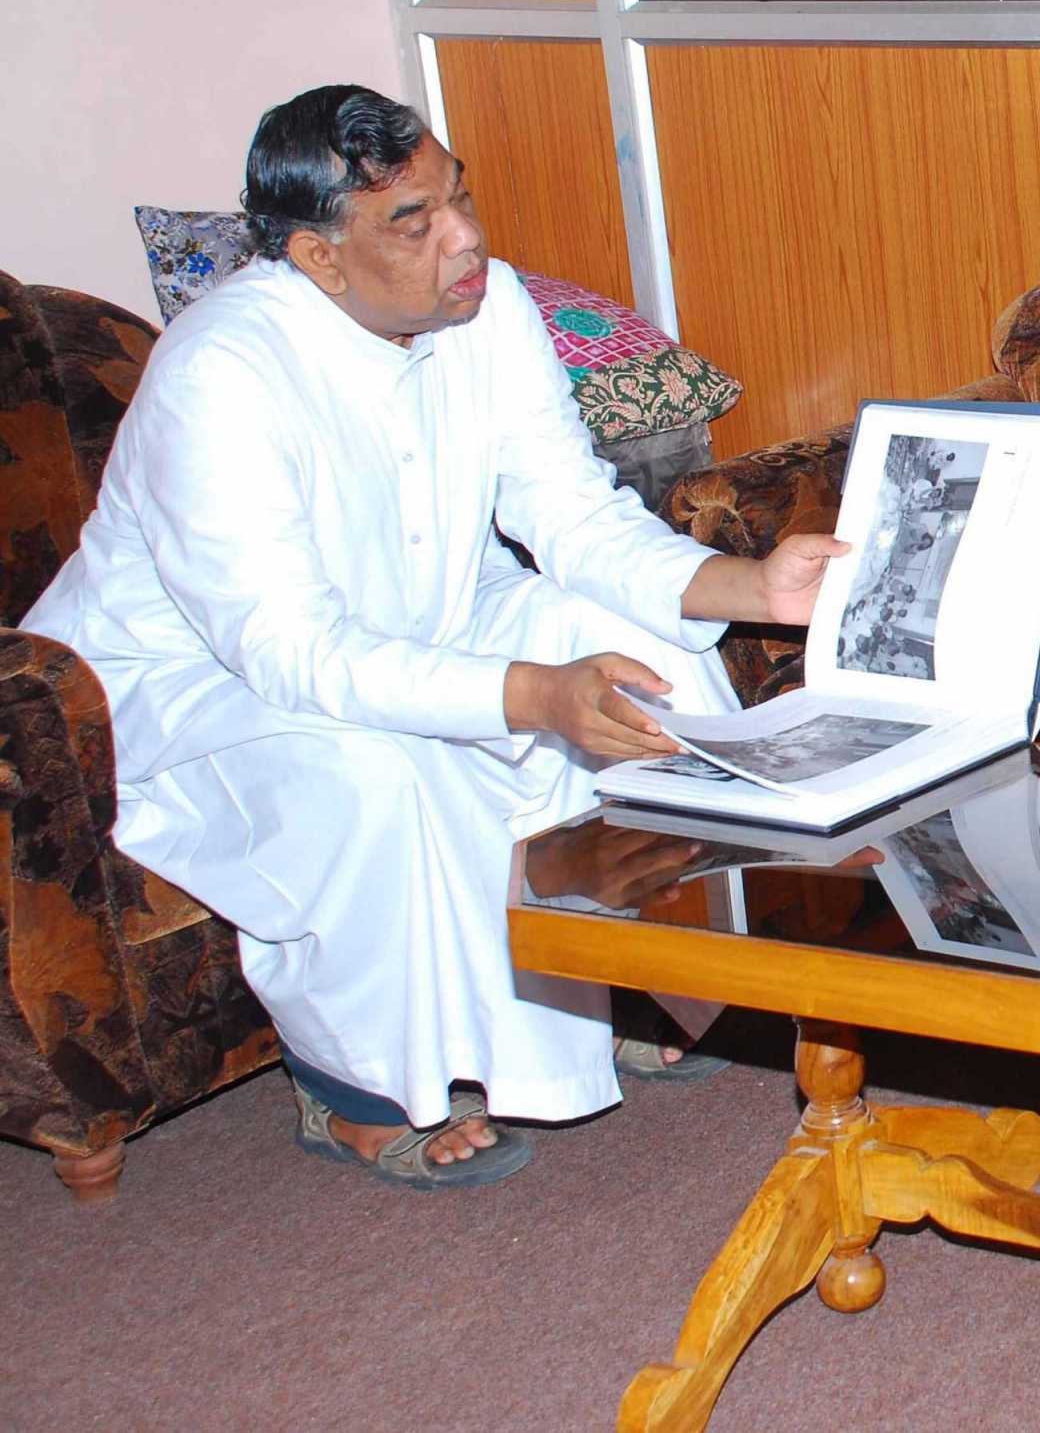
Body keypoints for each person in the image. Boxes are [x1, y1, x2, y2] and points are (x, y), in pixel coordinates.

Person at [23, 86, 848, 1189]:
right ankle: (354, 1091)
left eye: (458, 197)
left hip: (429, 607)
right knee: (380, 768)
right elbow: (294, 650)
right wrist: (535, 695)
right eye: (413, 221)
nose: (464, 238)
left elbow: (569, 512)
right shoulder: (218, 376)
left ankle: (624, 965)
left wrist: (754, 587)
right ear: (318, 258)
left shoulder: (491, 307)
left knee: (644, 649)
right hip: (191, 689)